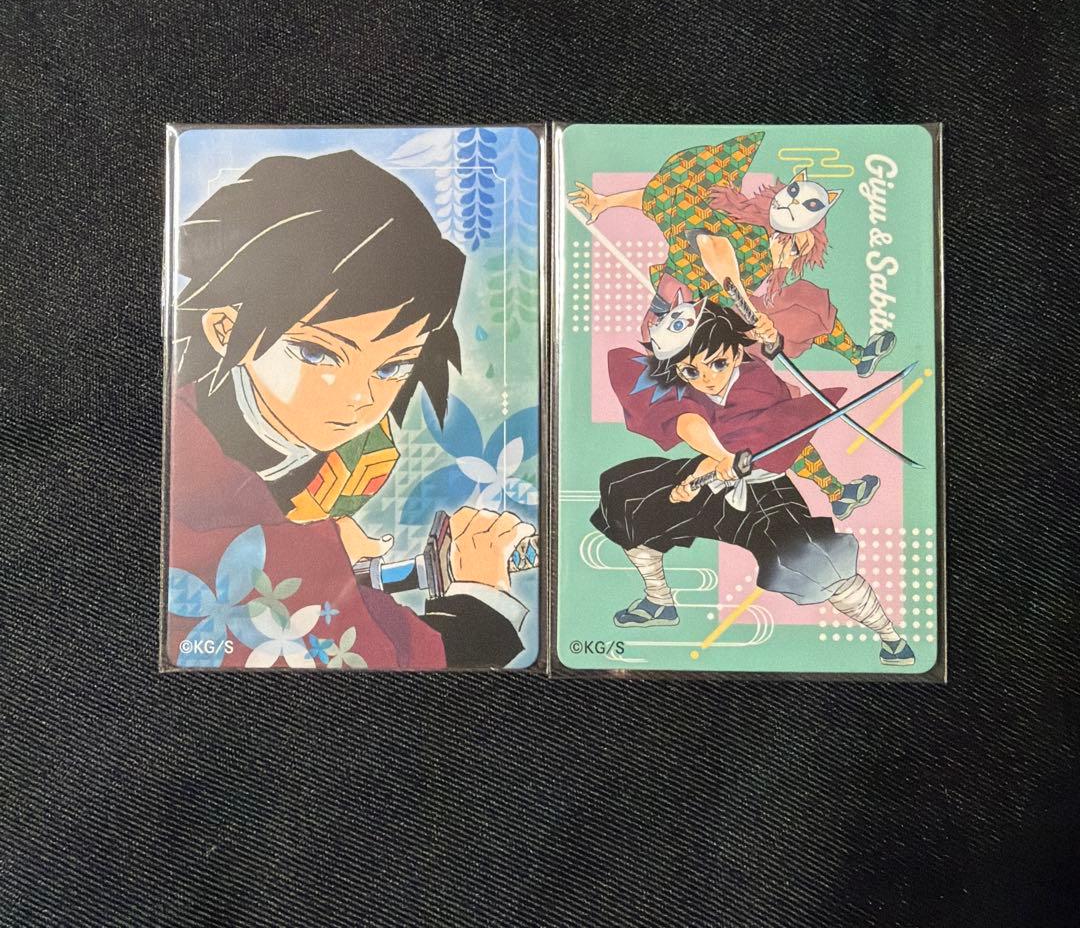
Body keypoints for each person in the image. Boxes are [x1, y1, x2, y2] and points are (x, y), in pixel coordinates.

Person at [166, 149, 533, 670]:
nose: (358, 396)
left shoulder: (358, 454)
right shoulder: (188, 458)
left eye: (392, 366)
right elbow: (393, 660)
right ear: (225, 328)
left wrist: (328, 548)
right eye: (316, 354)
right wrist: (479, 592)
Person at [570, 133, 890, 519]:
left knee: (797, 319)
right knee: (755, 413)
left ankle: (856, 363)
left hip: (723, 326)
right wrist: (605, 203)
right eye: (793, 196)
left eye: (798, 243)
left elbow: (660, 203)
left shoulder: (770, 244)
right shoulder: (732, 222)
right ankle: (833, 487)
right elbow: (698, 234)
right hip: (686, 323)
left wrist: (760, 329)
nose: (788, 249)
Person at [594, 300, 914, 667]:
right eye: (692, 371)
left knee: (811, 557)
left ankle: (890, 637)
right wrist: (708, 467)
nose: (707, 377)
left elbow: (760, 412)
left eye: (717, 363)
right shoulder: (684, 387)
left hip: (764, 493)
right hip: (713, 479)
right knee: (626, 493)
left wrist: (770, 337)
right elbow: (686, 420)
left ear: (735, 352)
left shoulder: (756, 380)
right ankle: (658, 601)